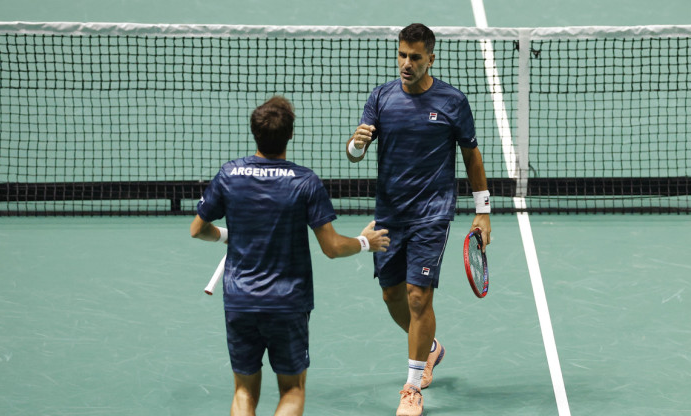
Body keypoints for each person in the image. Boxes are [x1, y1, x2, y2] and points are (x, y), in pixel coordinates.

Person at [191, 96, 390, 416]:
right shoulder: (305, 182)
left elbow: (198, 229)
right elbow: (332, 247)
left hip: (240, 300)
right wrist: (365, 242)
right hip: (288, 303)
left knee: (243, 391)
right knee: (293, 391)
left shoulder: (229, 175)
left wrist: (227, 235)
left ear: (255, 133)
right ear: (291, 134)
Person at [345, 23, 492, 416]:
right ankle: (430, 349)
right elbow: (355, 151)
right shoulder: (381, 97)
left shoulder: (452, 102)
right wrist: (355, 145)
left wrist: (483, 211)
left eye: (414, 57)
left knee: (417, 296)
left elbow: (471, 155)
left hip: (432, 213)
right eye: (401, 55)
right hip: (389, 214)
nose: (406, 64)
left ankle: (411, 388)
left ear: (430, 58)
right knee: (391, 295)